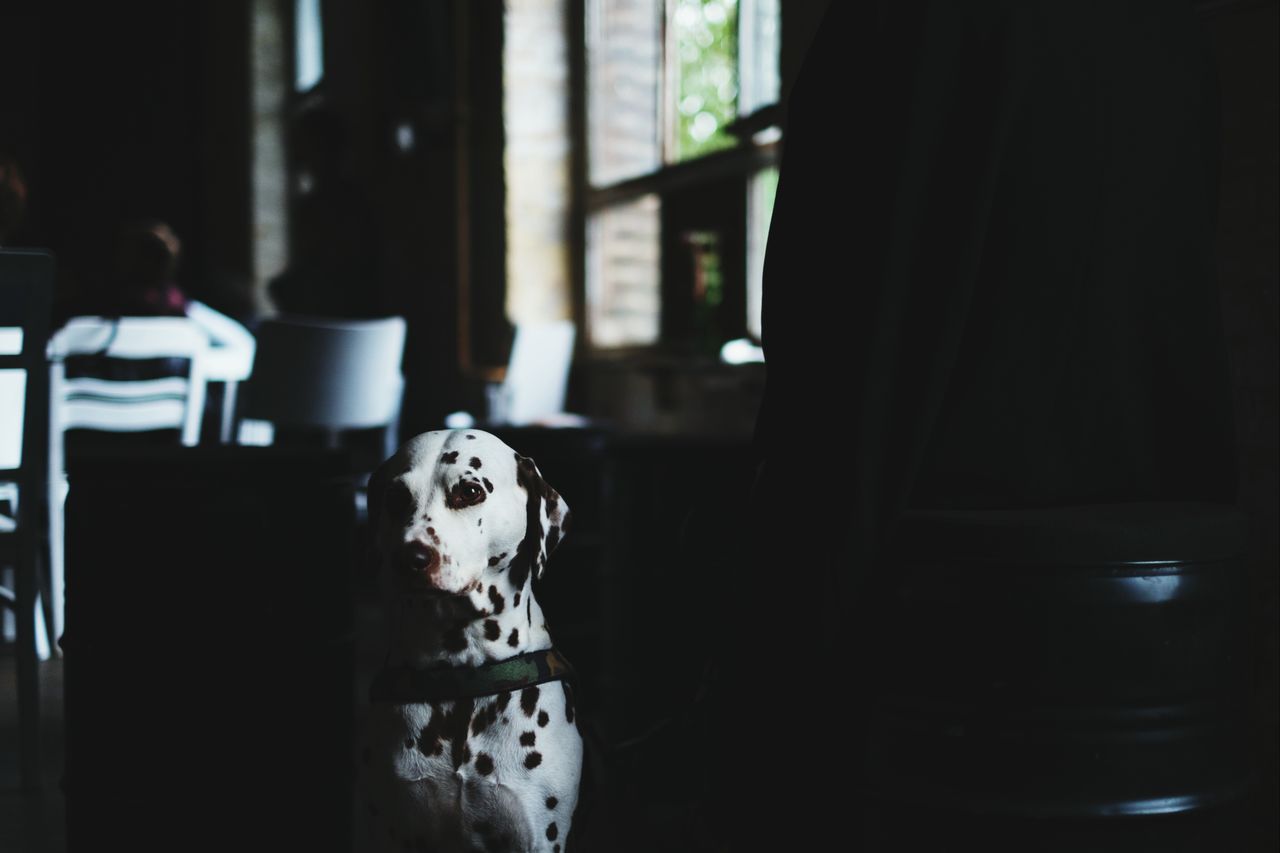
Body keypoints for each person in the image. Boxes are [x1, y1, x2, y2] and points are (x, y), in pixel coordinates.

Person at [712, 1, 1236, 847]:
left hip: (914, 550)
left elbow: (816, 298)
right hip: (1154, 548)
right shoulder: (1171, 24)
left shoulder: (892, 23)